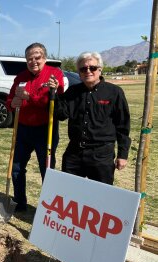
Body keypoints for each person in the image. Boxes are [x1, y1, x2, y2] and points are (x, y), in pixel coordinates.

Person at [55, 52, 131, 185]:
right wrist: (54, 94)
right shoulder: (72, 92)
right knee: (69, 191)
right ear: (78, 72)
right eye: (83, 69)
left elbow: (123, 125)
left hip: (101, 154)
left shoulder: (114, 92)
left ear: (100, 69)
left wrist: (122, 155)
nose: (88, 71)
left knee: (101, 197)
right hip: (74, 152)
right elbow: (61, 115)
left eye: (92, 68)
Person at [6, 42, 64, 212]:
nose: (33, 61)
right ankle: (19, 201)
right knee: (16, 167)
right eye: (29, 59)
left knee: (46, 169)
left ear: (44, 58)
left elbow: (50, 102)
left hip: (46, 130)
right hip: (23, 129)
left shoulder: (54, 74)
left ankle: (49, 208)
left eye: (37, 57)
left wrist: (29, 97)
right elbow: (10, 99)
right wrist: (12, 103)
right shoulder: (20, 77)